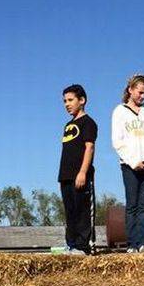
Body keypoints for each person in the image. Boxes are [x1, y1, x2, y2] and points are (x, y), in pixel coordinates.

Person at [111, 74, 144, 253]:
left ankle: (143, 242)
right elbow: (117, 141)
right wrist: (133, 162)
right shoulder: (120, 111)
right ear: (130, 90)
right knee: (132, 203)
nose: (142, 96)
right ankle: (132, 243)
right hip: (129, 165)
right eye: (139, 92)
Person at [58, 84, 98, 255]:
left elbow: (89, 148)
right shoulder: (68, 125)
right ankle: (71, 244)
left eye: (70, 100)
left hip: (80, 175)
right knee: (70, 212)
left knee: (82, 211)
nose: (67, 104)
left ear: (82, 100)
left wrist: (82, 172)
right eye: (64, 101)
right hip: (65, 175)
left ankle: (83, 246)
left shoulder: (88, 122)